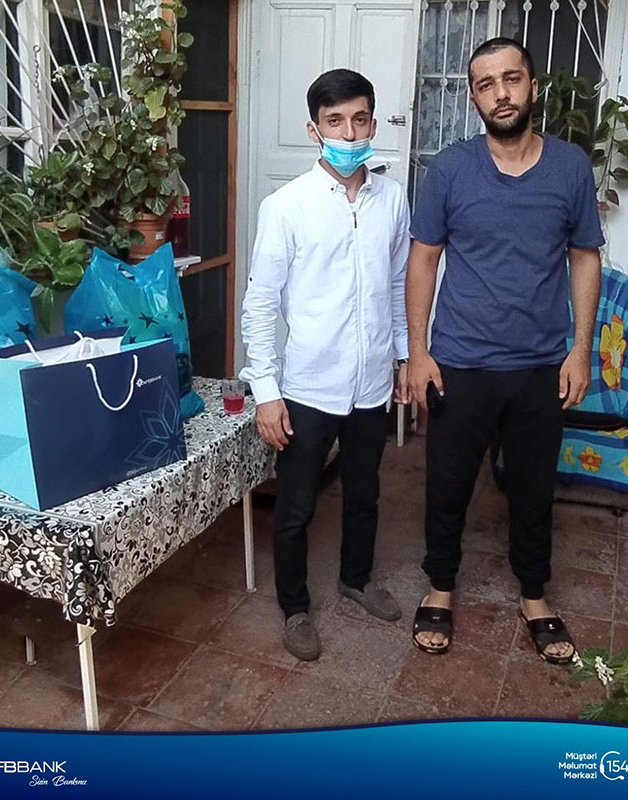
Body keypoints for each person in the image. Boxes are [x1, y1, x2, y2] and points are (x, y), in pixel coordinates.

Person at [406, 38, 603, 662]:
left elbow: (585, 258)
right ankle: (440, 586)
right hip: (461, 362)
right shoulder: (450, 170)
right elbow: (423, 260)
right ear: (474, 98)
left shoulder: (570, 168)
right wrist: (418, 352)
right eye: (486, 84)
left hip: (541, 365)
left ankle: (535, 595)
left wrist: (580, 350)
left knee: (534, 487)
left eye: (511, 79)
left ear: (533, 85)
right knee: (448, 484)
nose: (501, 94)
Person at [240, 69, 410, 661]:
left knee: (365, 492)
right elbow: (261, 302)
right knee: (296, 506)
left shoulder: (392, 198)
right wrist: (266, 390)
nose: (349, 133)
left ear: (373, 121)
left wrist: (402, 357)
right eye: (335, 122)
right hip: (309, 387)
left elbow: (397, 283)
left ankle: (356, 580)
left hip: (371, 384)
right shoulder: (286, 207)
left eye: (360, 119)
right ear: (314, 130)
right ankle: (295, 607)